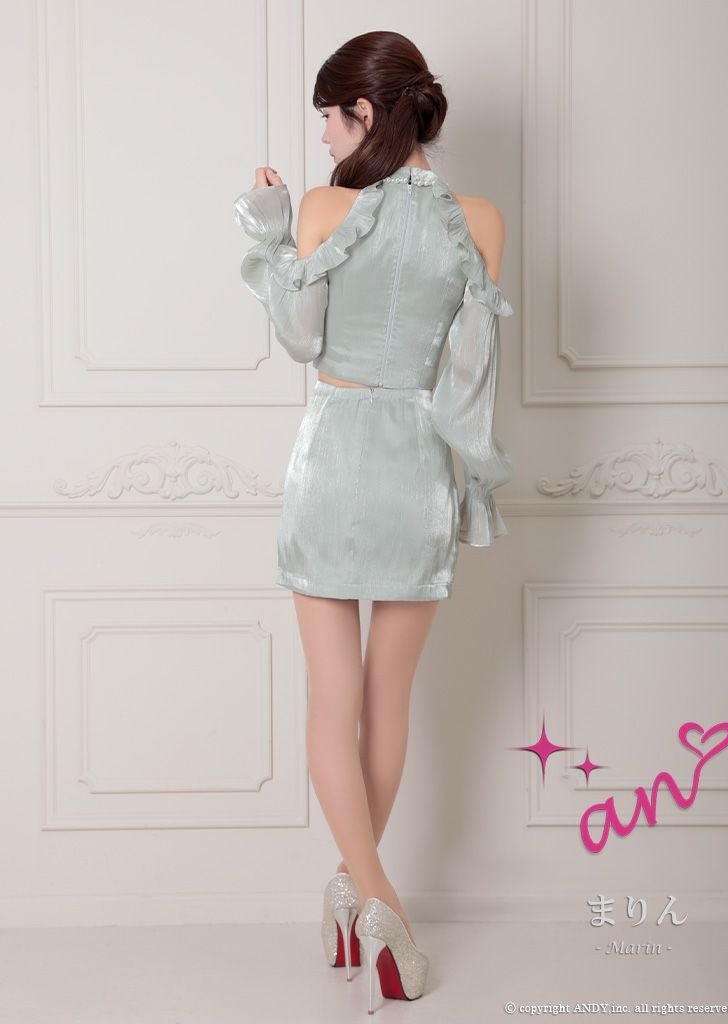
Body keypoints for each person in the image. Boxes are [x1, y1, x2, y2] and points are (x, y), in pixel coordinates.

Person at [233, 29, 514, 1015]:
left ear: (366, 111)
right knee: (388, 705)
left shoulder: (324, 208)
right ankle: (362, 890)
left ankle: (376, 898)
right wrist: (475, 483)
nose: (321, 135)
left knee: (332, 701)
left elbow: (302, 338)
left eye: (329, 114)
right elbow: (471, 378)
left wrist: (272, 235)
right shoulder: (482, 221)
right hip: (418, 466)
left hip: (333, 458)